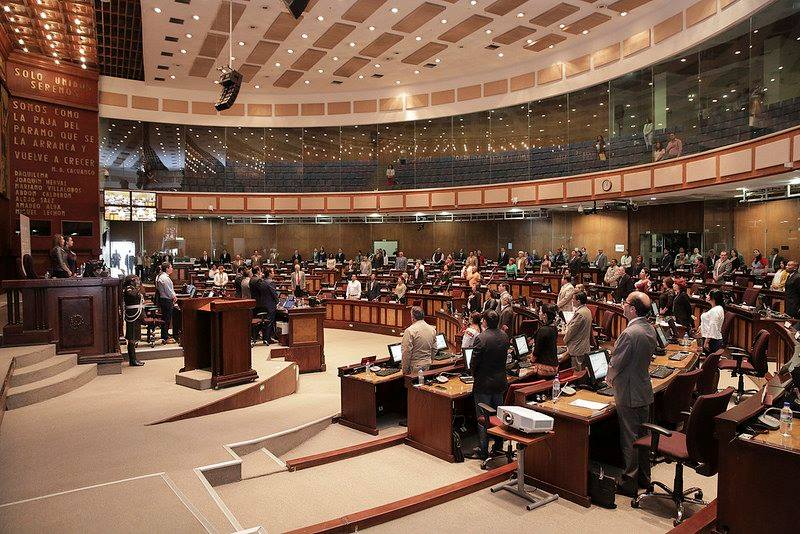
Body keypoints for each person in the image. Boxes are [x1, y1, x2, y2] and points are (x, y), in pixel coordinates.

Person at [606, 291, 657, 497]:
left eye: (625, 303)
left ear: (633, 309)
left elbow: (616, 363)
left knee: (630, 438)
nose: (623, 305)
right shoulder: (650, 329)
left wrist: (608, 378)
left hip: (628, 391)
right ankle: (644, 477)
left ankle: (629, 482)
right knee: (643, 436)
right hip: (643, 388)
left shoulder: (629, 333)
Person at [467, 310, 509, 460]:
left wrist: (473, 374)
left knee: (483, 418)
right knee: (498, 416)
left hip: (484, 384)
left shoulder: (481, 338)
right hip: (500, 383)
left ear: (484, 321)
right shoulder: (504, 336)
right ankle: (498, 446)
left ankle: (483, 449)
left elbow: (474, 363)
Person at [401, 306, 436, 376]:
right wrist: (430, 360)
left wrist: (404, 370)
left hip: (415, 367)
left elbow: (406, 352)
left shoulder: (410, 331)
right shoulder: (432, 329)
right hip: (428, 364)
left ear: (413, 318)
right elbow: (434, 349)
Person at [527, 304, 560, 378]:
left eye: (541, 312)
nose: (539, 313)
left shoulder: (543, 330)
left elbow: (537, 351)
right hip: (554, 366)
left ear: (545, 315)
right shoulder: (554, 328)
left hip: (545, 368)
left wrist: (530, 361)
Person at [564, 291, 592, 369]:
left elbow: (572, 331)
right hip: (584, 346)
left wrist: (565, 340)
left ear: (578, 301)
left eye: (573, 299)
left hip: (577, 348)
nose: (572, 300)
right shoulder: (587, 310)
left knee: (577, 372)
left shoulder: (580, 313)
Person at [250, 267, 279, 344]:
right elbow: (274, 294)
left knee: (266, 321)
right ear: (269, 273)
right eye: (273, 272)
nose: (274, 273)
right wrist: (278, 302)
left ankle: (265, 337)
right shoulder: (271, 282)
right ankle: (268, 339)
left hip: (263, 304)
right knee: (270, 322)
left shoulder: (262, 281)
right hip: (270, 305)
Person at [122, 274, 145, 367]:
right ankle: (132, 360)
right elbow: (132, 295)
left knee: (134, 338)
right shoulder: (129, 289)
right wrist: (138, 287)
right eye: (136, 279)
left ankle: (134, 359)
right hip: (132, 315)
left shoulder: (134, 288)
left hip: (136, 315)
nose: (138, 281)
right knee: (131, 338)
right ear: (131, 280)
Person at [156, 263, 177, 344]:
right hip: (166, 300)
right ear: (167, 268)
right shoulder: (165, 278)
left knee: (165, 319)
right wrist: (174, 297)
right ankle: (165, 337)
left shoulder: (162, 276)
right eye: (171, 267)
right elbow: (169, 291)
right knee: (167, 319)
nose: (172, 268)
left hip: (164, 299)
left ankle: (164, 334)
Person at [700, 289, 725, 354]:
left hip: (712, 341)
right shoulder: (716, 308)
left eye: (708, 294)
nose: (706, 296)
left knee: (709, 363)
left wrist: (707, 341)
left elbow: (713, 326)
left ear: (713, 298)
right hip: (712, 339)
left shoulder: (715, 310)